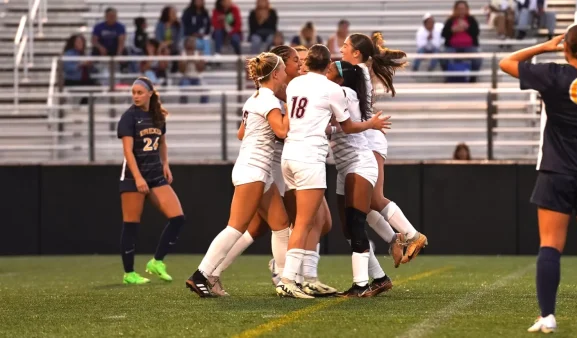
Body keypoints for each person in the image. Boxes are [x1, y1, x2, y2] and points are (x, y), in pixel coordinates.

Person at [499, 23, 577, 334]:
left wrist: (544, 47)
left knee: (550, 245)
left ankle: (548, 316)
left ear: (566, 47)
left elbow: (507, 63)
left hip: (557, 170)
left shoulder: (553, 74)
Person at [277, 44, 391, 298]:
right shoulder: (333, 90)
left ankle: (371, 277)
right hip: (312, 157)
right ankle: (290, 279)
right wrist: (371, 123)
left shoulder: (295, 84)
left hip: (291, 155)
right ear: (327, 65)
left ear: (307, 64)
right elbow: (346, 126)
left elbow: (320, 121)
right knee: (309, 223)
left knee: (338, 224)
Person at [186, 52, 291, 297]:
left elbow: (242, 133)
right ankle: (201, 274)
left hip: (258, 169)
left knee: (281, 224)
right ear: (275, 73)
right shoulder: (269, 100)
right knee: (236, 227)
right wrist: (296, 109)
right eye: (284, 70)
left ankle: (287, 280)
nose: (287, 75)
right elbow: (283, 130)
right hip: (253, 169)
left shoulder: (257, 98)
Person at [340, 33, 428, 266]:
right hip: (363, 138)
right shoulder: (356, 70)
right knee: (364, 205)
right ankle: (396, 238)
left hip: (368, 138)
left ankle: (412, 235)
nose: (341, 49)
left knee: (374, 199)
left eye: (345, 46)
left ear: (357, 53)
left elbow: (325, 72)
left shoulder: (355, 71)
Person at [326, 60, 400, 297]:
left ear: (341, 77)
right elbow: (335, 126)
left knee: (356, 222)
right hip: (345, 164)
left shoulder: (343, 92)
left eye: (330, 69)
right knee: (349, 228)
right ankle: (379, 278)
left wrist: (370, 124)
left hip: (358, 161)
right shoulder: (341, 91)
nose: (325, 70)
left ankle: (361, 284)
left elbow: (347, 126)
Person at [117, 77, 186, 285]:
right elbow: (128, 151)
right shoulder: (129, 117)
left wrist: (165, 164)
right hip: (132, 176)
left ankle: (157, 261)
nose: (136, 96)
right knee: (131, 225)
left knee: (178, 218)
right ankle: (129, 273)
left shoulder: (157, 116)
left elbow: (162, 142)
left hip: (155, 174)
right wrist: (138, 178)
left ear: (149, 94)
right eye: (133, 92)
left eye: (139, 92)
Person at [441, 0, 482, 82]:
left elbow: (476, 33)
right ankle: (448, 76)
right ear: (455, 9)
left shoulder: (471, 20)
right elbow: (443, 34)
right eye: (459, 9)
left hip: (469, 46)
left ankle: (472, 78)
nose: (461, 11)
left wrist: (467, 27)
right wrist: (452, 30)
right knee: (443, 57)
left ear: (467, 9)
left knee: (477, 58)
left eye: (463, 9)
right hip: (452, 47)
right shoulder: (451, 20)